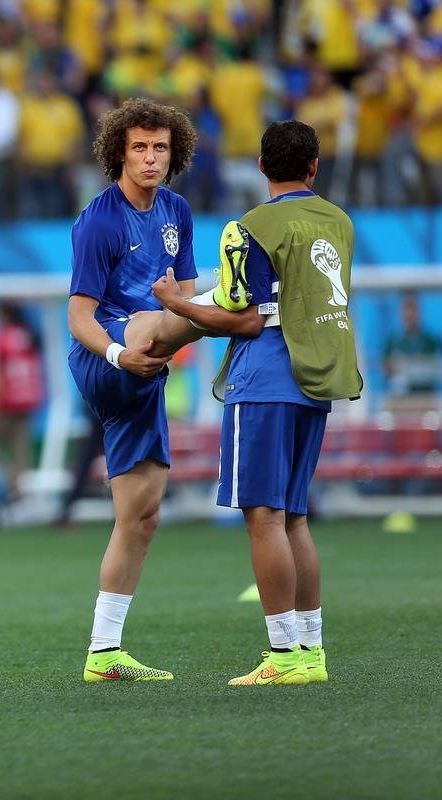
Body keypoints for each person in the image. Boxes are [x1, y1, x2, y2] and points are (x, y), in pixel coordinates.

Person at [66, 98, 261, 683]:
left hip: (148, 367)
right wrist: (118, 351)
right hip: (106, 353)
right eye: (139, 148)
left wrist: (196, 319)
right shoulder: (98, 220)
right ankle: (256, 304)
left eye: (160, 148)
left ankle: (104, 652)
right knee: (165, 318)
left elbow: (184, 296)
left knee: (141, 516)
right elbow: (78, 315)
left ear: (174, 155)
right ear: (117, 155)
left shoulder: (176, 209)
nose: (150, 159)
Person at [208, 121, 361, 685]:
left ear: (260, 166)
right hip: (316, 378)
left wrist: (178, 303)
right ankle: (312, 653)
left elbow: (240, 312)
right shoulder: (340, 223)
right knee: (294, 516)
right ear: (314, 166)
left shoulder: (249, 226)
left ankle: (282, 655)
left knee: (263, 516)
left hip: (266, 377)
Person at [0, 301, 43, 500]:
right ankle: (20, 490)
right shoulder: (29, 335)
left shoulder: (2, 337)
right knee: (21, 448)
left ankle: (8, 485)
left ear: (3, 314)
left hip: (6, 401)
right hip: (28, 400)